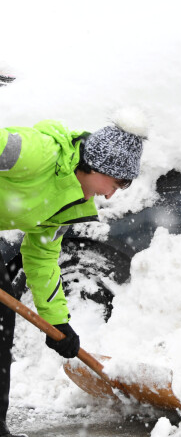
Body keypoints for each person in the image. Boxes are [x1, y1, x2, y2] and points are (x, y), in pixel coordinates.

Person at [0, 119, 144, 437]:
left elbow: (41, 258)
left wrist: (59, 323)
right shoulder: (37, 154)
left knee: (0, 322)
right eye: (118, 184)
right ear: (99, 166)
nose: (110, 196)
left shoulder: (72, 202)